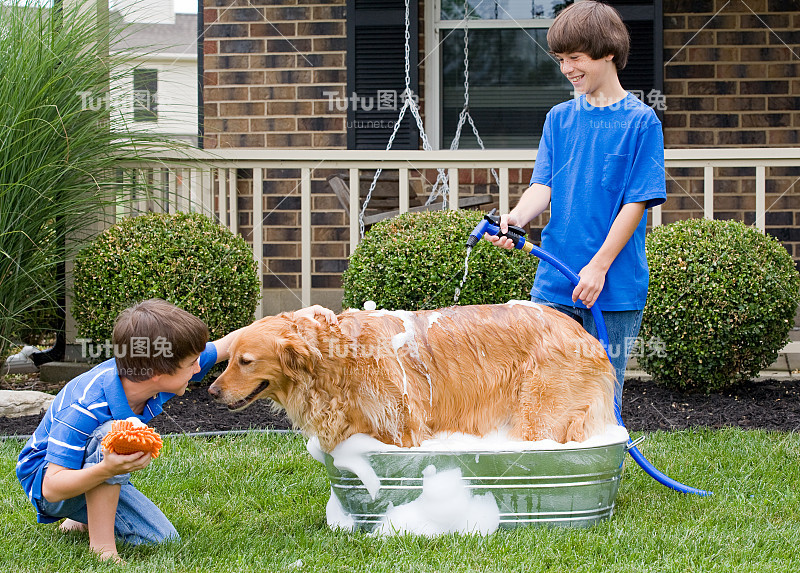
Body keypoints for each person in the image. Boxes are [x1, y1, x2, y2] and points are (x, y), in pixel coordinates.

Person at [16, 299, 336, 563]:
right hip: (46, 482)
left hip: (80, 474)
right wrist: (107, 468)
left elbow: (227, 345)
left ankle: (82, 515)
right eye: (192, 364)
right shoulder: (87, 405)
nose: (200, 369)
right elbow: (51, 488)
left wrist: (293, 318)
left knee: (160, 540)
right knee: (110, 434)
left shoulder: (153, 375)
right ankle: (102, 548)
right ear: (157, 373)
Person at [486, 1, 666, 406]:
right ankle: (555, 469)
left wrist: (599, 268)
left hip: (613, 286)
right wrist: (514, 218)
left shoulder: (640, 122)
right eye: (560, 59)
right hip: (555, 280)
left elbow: (635, 204)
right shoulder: (559, 119)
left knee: (600, 395)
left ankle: (603, 472)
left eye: (575, 58)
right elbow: (542, 186)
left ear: (607, 53)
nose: (566, 68)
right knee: (544, 390)